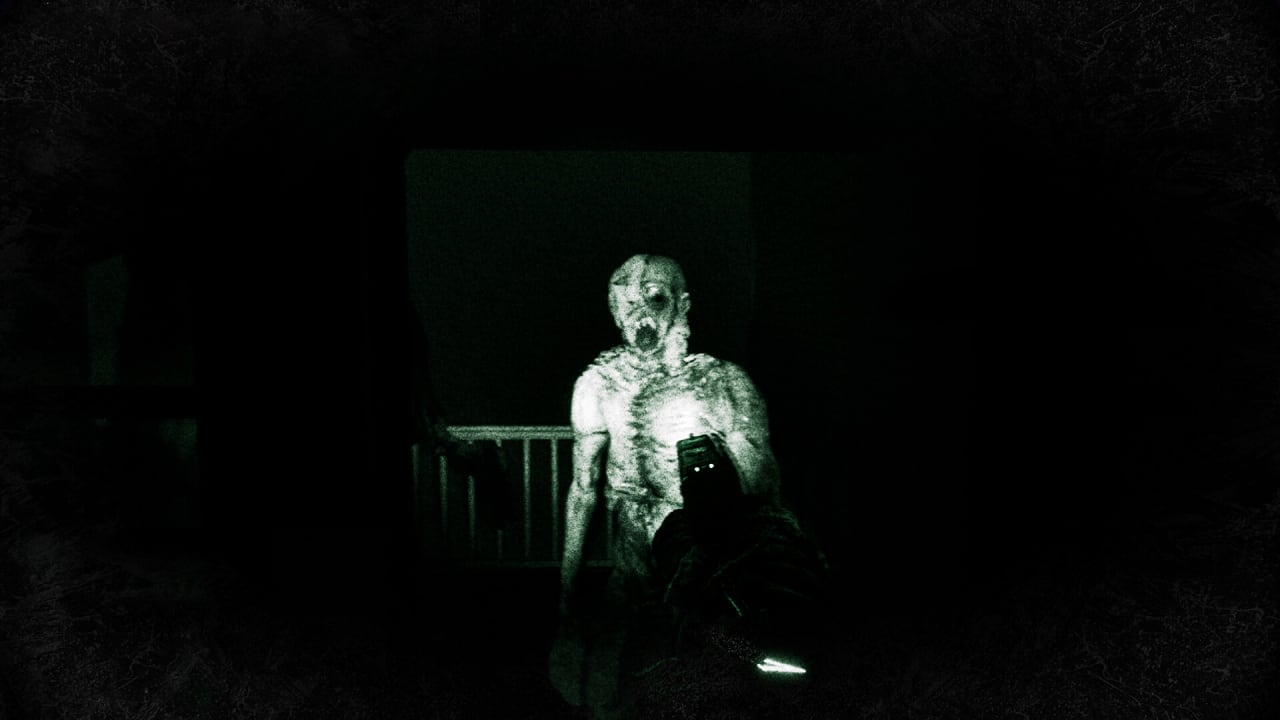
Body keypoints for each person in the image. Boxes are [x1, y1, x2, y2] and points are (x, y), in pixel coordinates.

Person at [551, 254, 784, 715]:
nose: (640, 313)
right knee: (605, 686)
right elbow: (583, 488)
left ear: (682, 304)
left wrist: (763, 578)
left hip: (701, 570)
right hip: (631, 569)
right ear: (614, 311)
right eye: (627, 302)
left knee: (722, 666)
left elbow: (764, 492)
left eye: (655, 299)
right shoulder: (597, 385)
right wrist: (567, 587)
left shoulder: (721, 383)